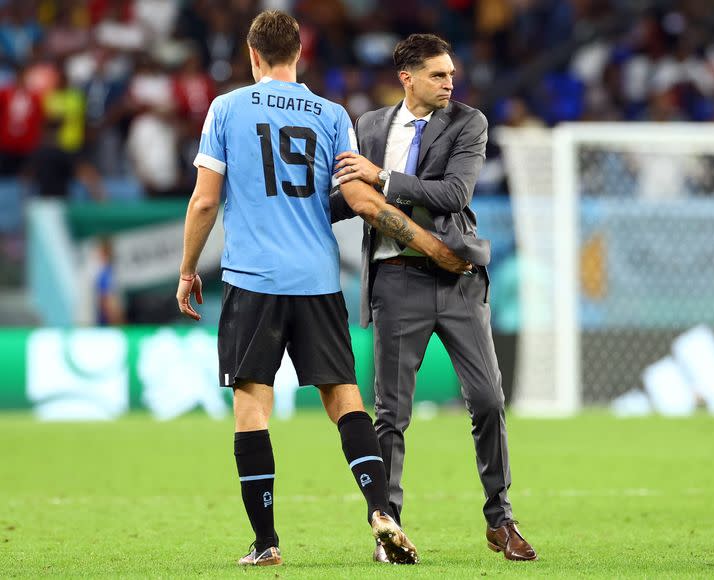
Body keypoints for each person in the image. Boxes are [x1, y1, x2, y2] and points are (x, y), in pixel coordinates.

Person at [175, 11, 471, 567]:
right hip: (317, 279)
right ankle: (381, 510)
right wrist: (429, 245)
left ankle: (266, 543)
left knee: (252, 408)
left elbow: (205, 201)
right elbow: (356, 200)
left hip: (253, 280)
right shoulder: (333, 115)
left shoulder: (226, 108)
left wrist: (188, 269)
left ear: (253, 54)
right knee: (345, 401)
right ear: (300, 54)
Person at [330, 33, 538, 562]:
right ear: (408, 77)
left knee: (489, 399)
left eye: (451, 74)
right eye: (439, 75)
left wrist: (381, 177)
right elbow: (350, 198)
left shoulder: (469, 122)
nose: (450, 83)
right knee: (391, 413)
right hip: (396, 280)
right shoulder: (371, 126)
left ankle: (501, 519)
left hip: (458, 278)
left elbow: (453, 194)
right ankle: (389, 528)